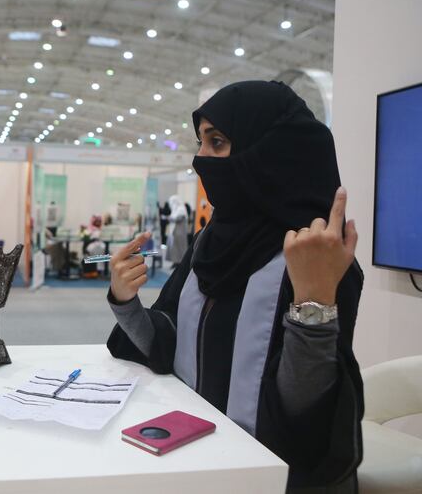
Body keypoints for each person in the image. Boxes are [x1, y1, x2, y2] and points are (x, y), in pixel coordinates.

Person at [106, 81, 363, 492]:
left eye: (218, 142)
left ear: (269, 150)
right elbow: (167, 342)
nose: (199, 159)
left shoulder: (314, 254)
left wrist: (313, 302)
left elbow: (306, 416)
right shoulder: (210, 244)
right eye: (201, 142)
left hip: (269, 480)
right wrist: (125, 300)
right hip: (194, 463)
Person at [166, 194, 188, 267]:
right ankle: (175, 262)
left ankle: (180, 263)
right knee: (174, 249)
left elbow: (178, 219)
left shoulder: (181, 209)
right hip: (174, 233)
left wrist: (169, 218)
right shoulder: (175, 210)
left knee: (180, 248)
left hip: (179, 233)